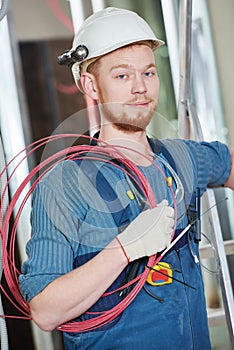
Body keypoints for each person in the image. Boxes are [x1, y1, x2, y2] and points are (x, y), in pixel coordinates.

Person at [19, 7, 234, 350]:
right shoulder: (65, 185)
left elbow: (227, 164)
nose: (140, 88)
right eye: (122, 76)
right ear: (91, 84)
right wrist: (124, 249)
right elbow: (45, 311)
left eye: (148, 73)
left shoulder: (181, 159)